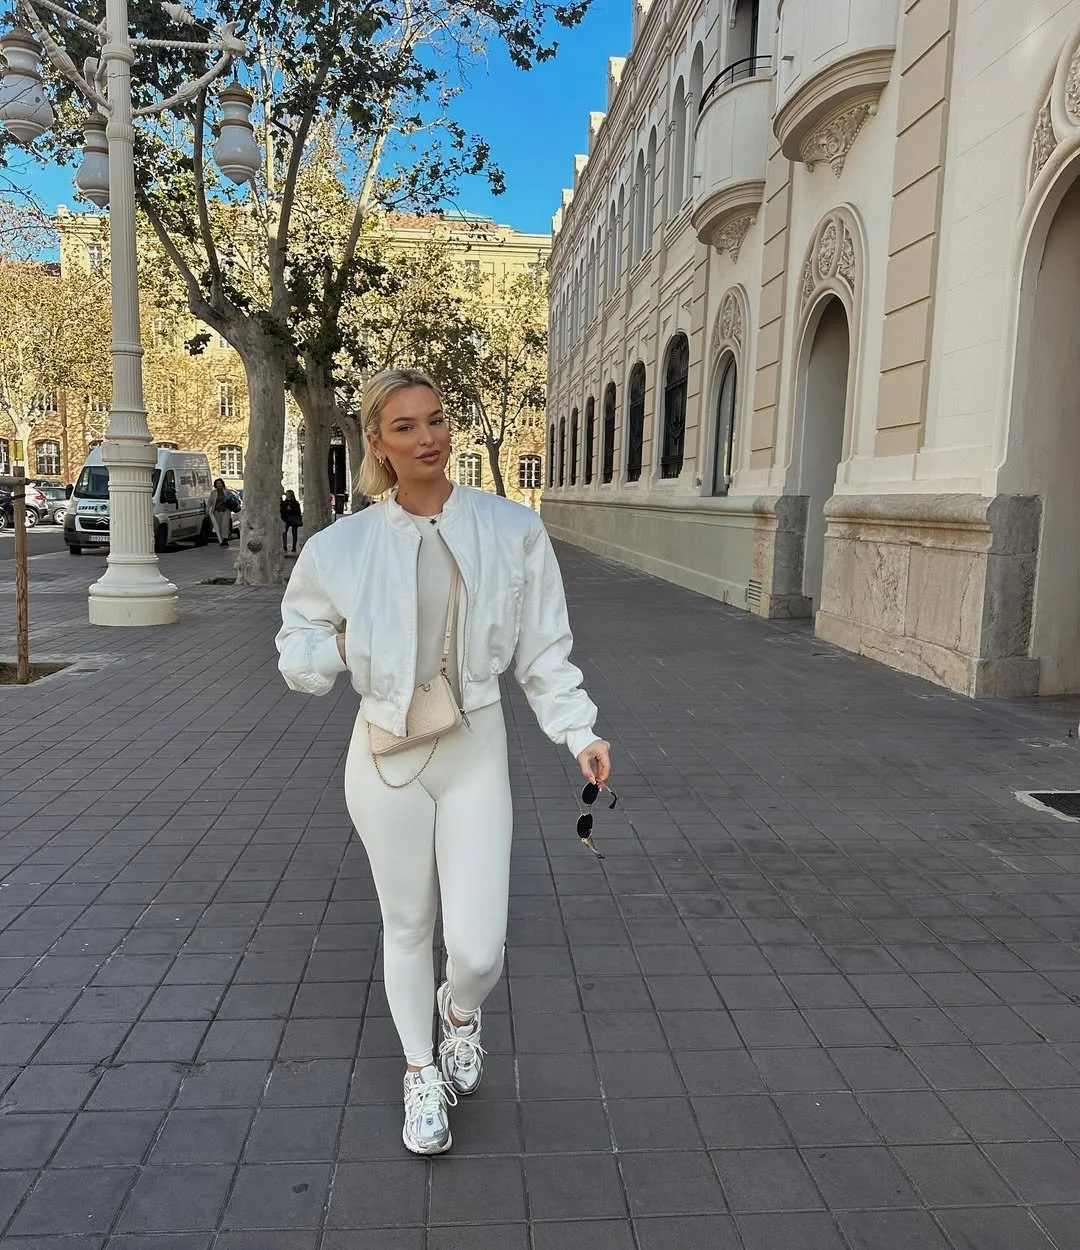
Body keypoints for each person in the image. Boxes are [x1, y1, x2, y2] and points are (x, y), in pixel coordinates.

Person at [276, 368, 610, 1157]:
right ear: (378, 443)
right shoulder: (343, 545)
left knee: (478, 947)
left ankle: (460, 1011)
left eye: (436, 419)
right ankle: (419, 1069)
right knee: (406, 922)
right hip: (385, 752)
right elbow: (295, 647)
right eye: (404, 426)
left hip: (474, 745)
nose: (427, 438)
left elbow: (543, 650)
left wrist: (579, 731)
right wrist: (342, 646)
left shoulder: (511, 529)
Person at [207, 478, 231, 547]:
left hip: (226, 510)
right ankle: (221, 540)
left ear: (222, 484)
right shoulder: (213, 492)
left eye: (220, 483)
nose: (219, 485)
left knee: (225, 525)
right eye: (217, 483)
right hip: (217, 511)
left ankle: (225, 539)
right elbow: (210, 501)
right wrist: (207, 509)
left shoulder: (227, 491)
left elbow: (231, 500)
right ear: (215, 484)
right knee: (219, 526)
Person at [281, 489, 302, 554]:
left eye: (288, 494)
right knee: (284, 533)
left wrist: (291, 509)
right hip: (286, 520)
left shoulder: (295, 503)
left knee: (294, 533)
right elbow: (281, 510)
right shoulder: (284, 502)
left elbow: (298, 512)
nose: (287, 495)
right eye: (286, 494)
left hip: (293, 520)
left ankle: (294, 547)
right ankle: (284, 546)